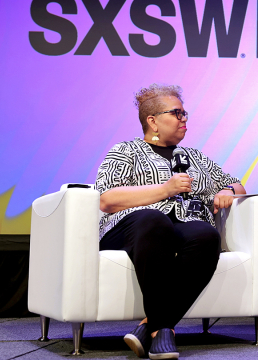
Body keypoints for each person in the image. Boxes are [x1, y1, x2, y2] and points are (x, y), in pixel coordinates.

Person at [95, 84, 246, 359]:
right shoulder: (126, 151)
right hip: (134, 226)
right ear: (152, 121)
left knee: (206, 235)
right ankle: (162, 329)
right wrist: (165, 189)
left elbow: (236, 184)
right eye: (176, 113)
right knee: (154, 220)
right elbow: (107, 198)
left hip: (183, 225)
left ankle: (156, 327)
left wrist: (228, 191)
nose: (184, 119)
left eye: (184, 113)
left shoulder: (195, 157)